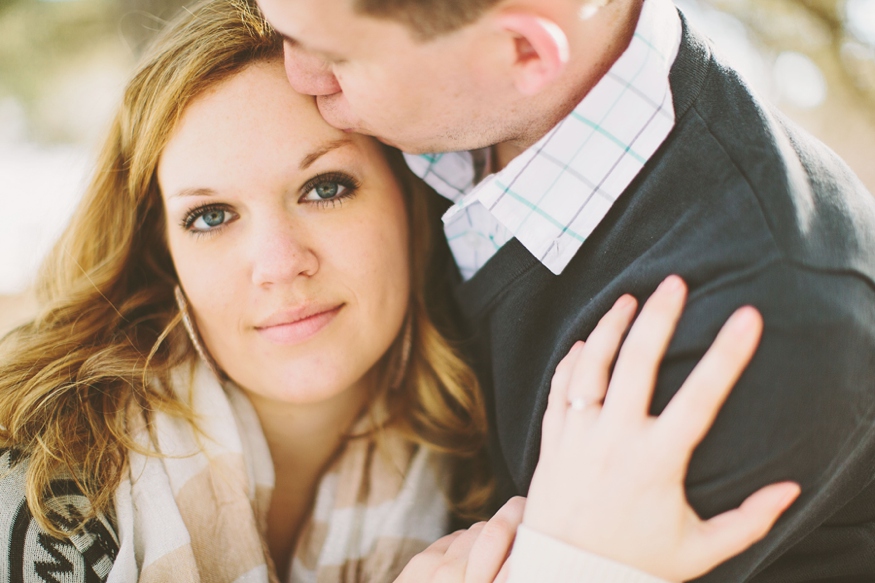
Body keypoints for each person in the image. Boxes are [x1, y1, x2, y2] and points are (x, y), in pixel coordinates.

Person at [0, 0, 799, 582]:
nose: (278, 263)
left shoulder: (498, 470)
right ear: (159, 250)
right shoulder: (45, 466)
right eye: (210, 216)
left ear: (411, 206)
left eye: (325, 189)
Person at [257, 0, 875, 579]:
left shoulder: (757, 319)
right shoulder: (426, 119)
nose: (297, 75)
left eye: (336, 56)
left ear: (524, 51)